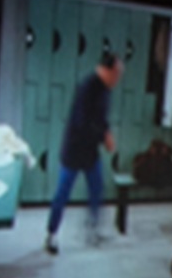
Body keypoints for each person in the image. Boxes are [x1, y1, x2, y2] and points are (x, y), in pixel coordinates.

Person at [50, 44, 120, 243]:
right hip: (74, 149)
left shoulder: (106, 90)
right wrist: (103, 136)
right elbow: (82, 122)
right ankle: (52, 234)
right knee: (62, 193)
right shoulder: (87, 87)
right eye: (116, 73)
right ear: (107, 70)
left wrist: (106, 132)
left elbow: (101, 118)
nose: (117, 78)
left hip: (90, 151)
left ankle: (93, 229)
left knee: (97, 189)